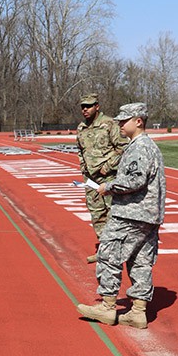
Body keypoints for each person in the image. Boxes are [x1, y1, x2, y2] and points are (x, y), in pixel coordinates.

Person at [77, 103, 166, 330]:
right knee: (140, 262)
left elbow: (134, 180)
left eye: (123, 121)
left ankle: (107, 307)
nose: (119, 124)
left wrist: (108, 187)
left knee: (108, 254)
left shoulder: (139, 147)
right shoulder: (145, 146)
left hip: (130, 214)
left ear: (138, 121)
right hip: (147, 216)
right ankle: (137, 311)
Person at [76, 93, 127, 263]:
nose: (85, 109)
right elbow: (80, 151)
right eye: (83, 106)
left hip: (109, 178)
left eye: (88, 106)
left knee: (113, 213)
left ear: (97, 106)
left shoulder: (109, 124)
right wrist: (83, 167)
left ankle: (118, 250)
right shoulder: (81, 128)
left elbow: (123, 148)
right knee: (97, 215)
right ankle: (105, 251)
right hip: (90, 180)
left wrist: (108, 167)